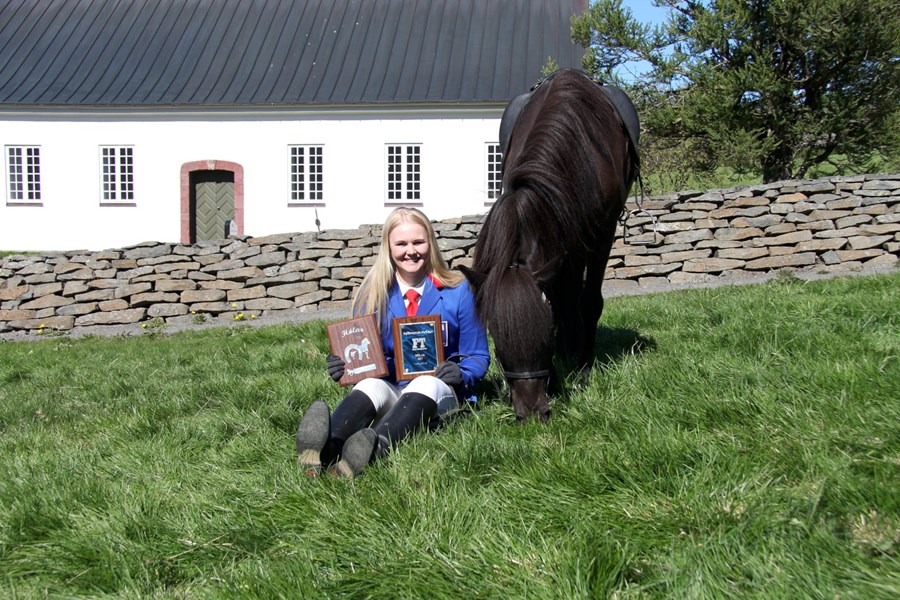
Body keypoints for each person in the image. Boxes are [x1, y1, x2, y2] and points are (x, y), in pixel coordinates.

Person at [295, 207, 490, 478]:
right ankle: (326, 449)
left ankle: (373, 450)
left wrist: (462, 373)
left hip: (440, 393)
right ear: (388, 247)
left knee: (426, 381)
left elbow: (478, 355)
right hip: (392, 387)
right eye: (401, 243)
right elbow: (364, 351)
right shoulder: (372, 295)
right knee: (369, 385)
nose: (411, 251)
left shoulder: (459, 291)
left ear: (430, 243)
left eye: (418, 242)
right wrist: (346, 367)